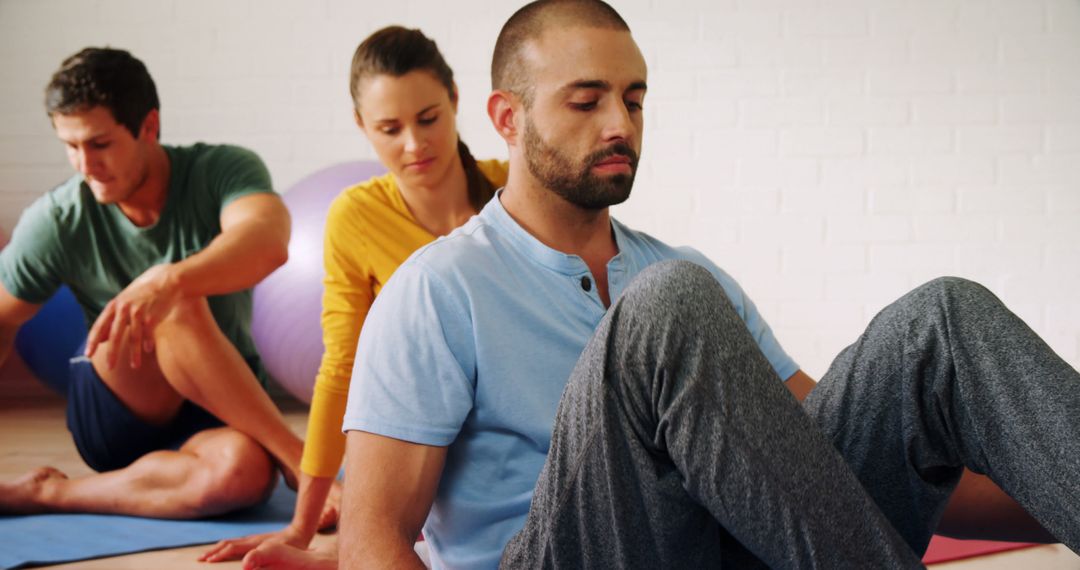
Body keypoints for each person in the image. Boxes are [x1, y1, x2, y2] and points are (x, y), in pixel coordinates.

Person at [337, 1, 1080, 568]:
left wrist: (1041, 470)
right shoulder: (437, 289)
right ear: (507, 117)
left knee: (939, 324)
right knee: (670, 303)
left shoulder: (675, 269)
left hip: (721, 547)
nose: (620, 124)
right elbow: (373, 538)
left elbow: (819, 470)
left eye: (634, 99)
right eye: (586, 100)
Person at [199, 27, 508, 567]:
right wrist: (300, 528)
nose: (414, 144)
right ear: (361, 126)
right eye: (390, 128)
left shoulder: (515, 191)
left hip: (512, 425)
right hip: (423, 436)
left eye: (428, 118)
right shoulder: (356, 216)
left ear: (456, 100)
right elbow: (341, 368)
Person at [0, 47, 314, 521]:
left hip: (220, 406)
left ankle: (49, 494)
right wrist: (166, 289)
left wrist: (169, 278)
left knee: (242, 475)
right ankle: (303, 465)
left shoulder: (221, 170)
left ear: (149, 126)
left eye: (100, 144)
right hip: (118, 406)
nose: (84, 164)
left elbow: (267, 241)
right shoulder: (57, 218)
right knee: (171, 303)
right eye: (70, 146)